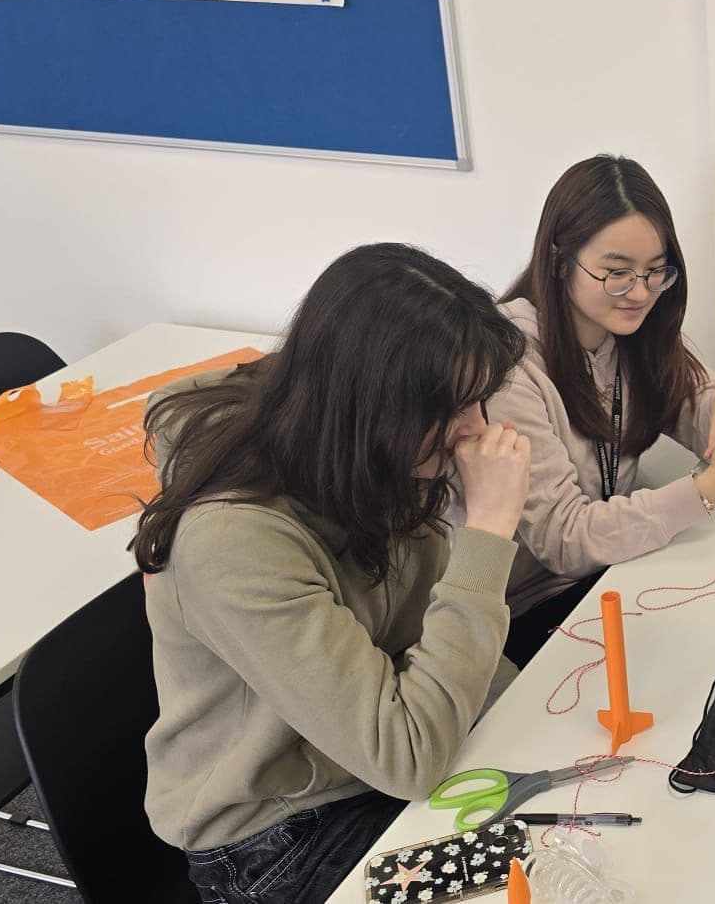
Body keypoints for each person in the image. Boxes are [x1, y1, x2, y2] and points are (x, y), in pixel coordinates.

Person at [134, 243, 532, 904]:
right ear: (367, 407)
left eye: (479, 401)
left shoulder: (363, 454)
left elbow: (423, 648)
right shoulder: (232, 541)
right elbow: (408, 755)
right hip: (276, 836)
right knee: (539, 875)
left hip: (374, 759)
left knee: (574, 837)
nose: (476, 431)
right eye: (454, 410)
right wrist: (489, 530)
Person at [495, 154, 715, 662]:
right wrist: (710, 486)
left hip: (611, 574)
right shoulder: (508, 366)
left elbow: (698, 402)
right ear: (560, 261)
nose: (641, 293)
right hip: (524, 610)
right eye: (617, 273)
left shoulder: (628, 334)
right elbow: (565, 540)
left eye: (656, 272)